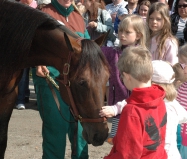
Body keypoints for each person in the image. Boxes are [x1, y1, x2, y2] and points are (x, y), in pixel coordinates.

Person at [32, 0, 90, 158]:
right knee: (55, 132)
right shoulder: (43, 13)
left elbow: (89, 49)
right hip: (51, 81)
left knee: (80, 134)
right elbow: (32, 44)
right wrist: (38, 62)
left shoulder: (78, 17)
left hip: (76, 85)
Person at [100, 60, 187, 159]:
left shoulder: (140, 106)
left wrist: (114, 109)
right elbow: (185, 117)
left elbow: (129, 153)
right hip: (170, 154)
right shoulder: (173, 104)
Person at [103, 46, 168, 159]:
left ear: (127, 76)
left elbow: (127, 155)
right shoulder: (159, 100)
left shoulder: (131, 110)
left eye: (121, 76)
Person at [101, 14, 149, 145]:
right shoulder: (113, 53)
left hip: (136, 107)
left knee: (133, 138)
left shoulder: (142, 55)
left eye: (127, 32)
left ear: (138, 35)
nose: (122, 35)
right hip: (118, 105)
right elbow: (97, 51)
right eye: (120, 31)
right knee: (116, 140)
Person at [15, 0, 37, 110]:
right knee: (23, 73)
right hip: (21, 45)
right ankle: (21, 98)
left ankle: (25, 96)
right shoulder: (17, 6)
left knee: (29, 72)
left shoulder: (36, 7)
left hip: (33, 46)